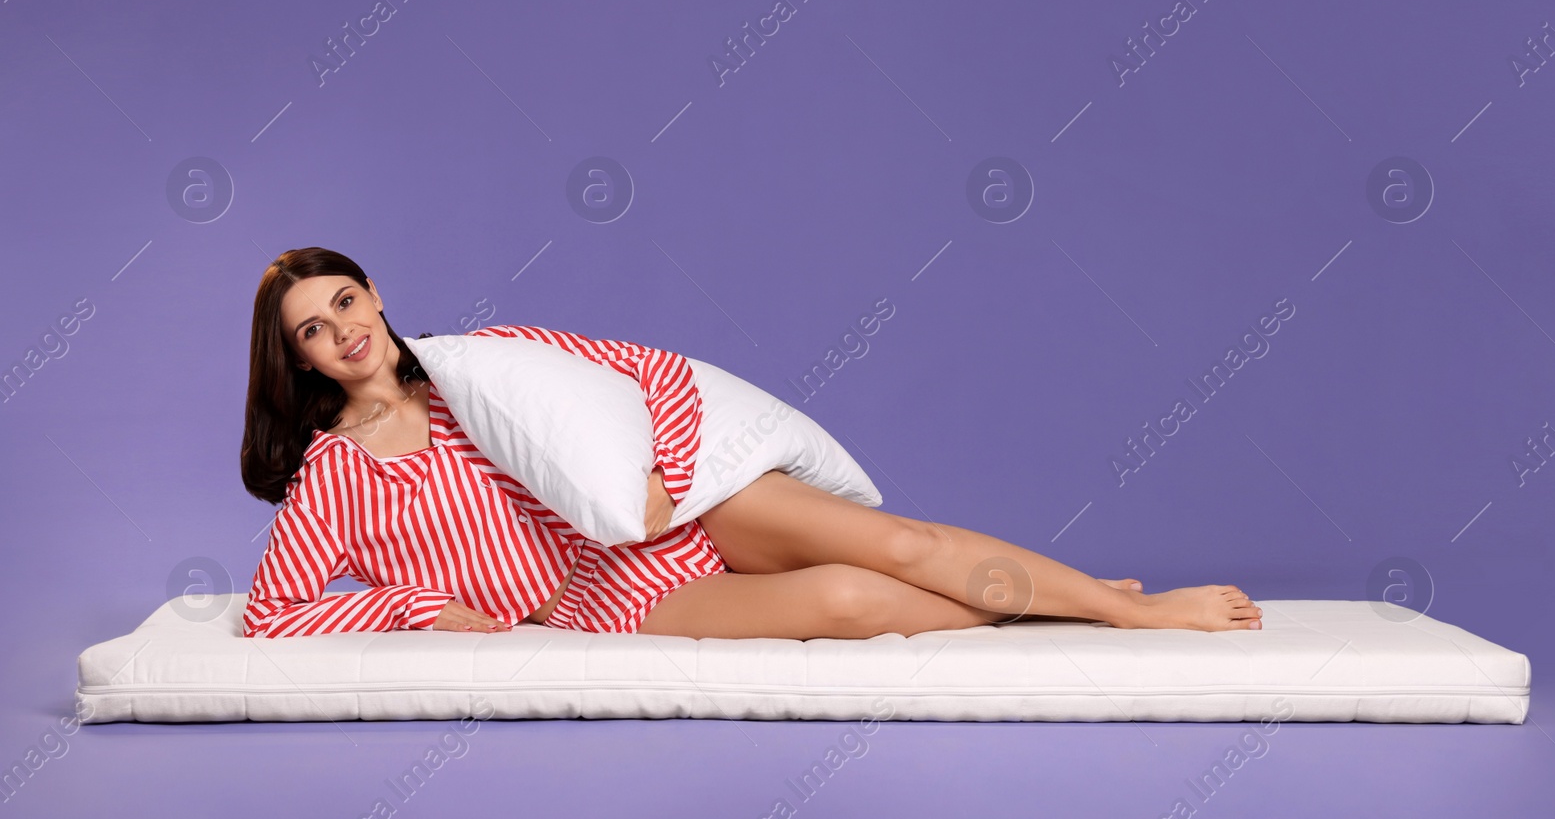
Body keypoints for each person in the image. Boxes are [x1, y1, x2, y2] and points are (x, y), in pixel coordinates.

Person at [240, 247, 1263, 640]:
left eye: (344, 299)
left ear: (374, 292)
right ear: (303, 361)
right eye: (313, 329)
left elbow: (646, 378)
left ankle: (1125, 609)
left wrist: (664, 480)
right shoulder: (333, 475)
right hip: (606, 593)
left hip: (685, 507)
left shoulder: (487, 362)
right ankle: (1062, 609)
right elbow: (273, 614)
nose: (343, 329)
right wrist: (421, 607)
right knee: (848, 601)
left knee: (896, 542)